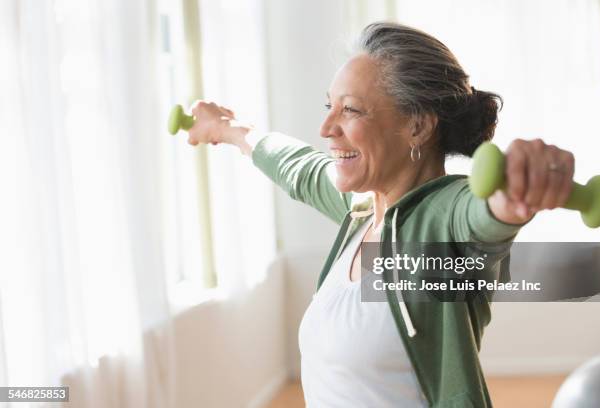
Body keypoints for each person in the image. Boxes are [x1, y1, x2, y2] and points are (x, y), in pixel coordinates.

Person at [185, 22, 575, 407]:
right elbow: (298, 168)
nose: (325, 128)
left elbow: (480, 215)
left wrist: (513, 196)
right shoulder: (362, 212)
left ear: (417, 126)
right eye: (329, 107)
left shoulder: (441, 223)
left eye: (350, 110)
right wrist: (229, 129)